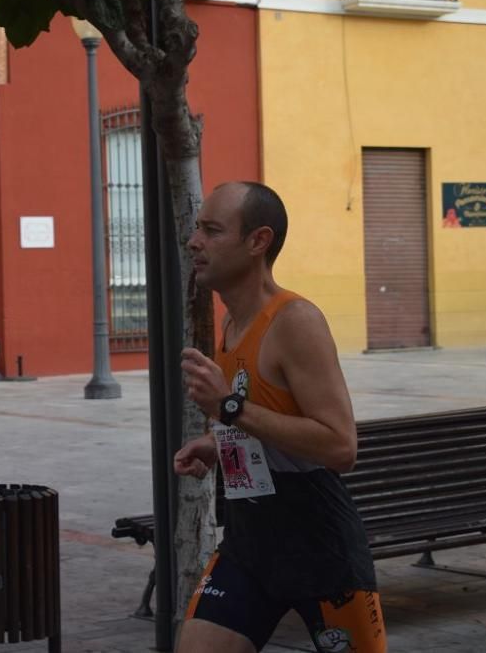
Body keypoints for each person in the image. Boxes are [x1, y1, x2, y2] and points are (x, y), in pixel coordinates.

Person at [174, 182, 387, 653]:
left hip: (319, 548)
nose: (195, 242)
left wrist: (229, 406)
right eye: (197, 229)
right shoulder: (231, 324)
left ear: (258, 241)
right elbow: (261, 415)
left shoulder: (295, 321)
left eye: (211, 230)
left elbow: (340, 445)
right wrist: (217, 442)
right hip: (250, 544)